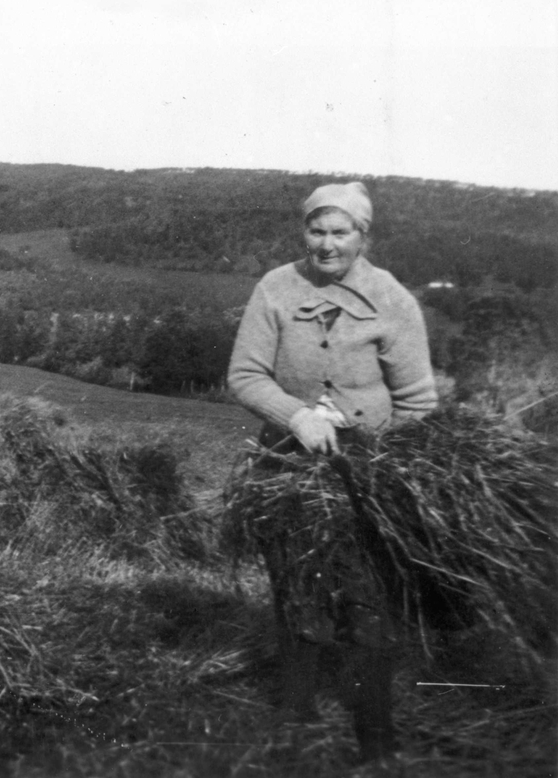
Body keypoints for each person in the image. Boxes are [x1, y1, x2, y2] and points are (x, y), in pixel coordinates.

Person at [227, 182, 438, 762]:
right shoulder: (275, 287)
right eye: (316, 231)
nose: (326, 244)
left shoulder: (392, 300)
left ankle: (376, 738)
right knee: (295, 586)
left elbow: (419, 403)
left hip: (365, 473)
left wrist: (366, 439)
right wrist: (295, 415)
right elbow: (245, 375)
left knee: (367, 599)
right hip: (286, 468)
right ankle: (294, 722)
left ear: (363, 237)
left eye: (340, 232)